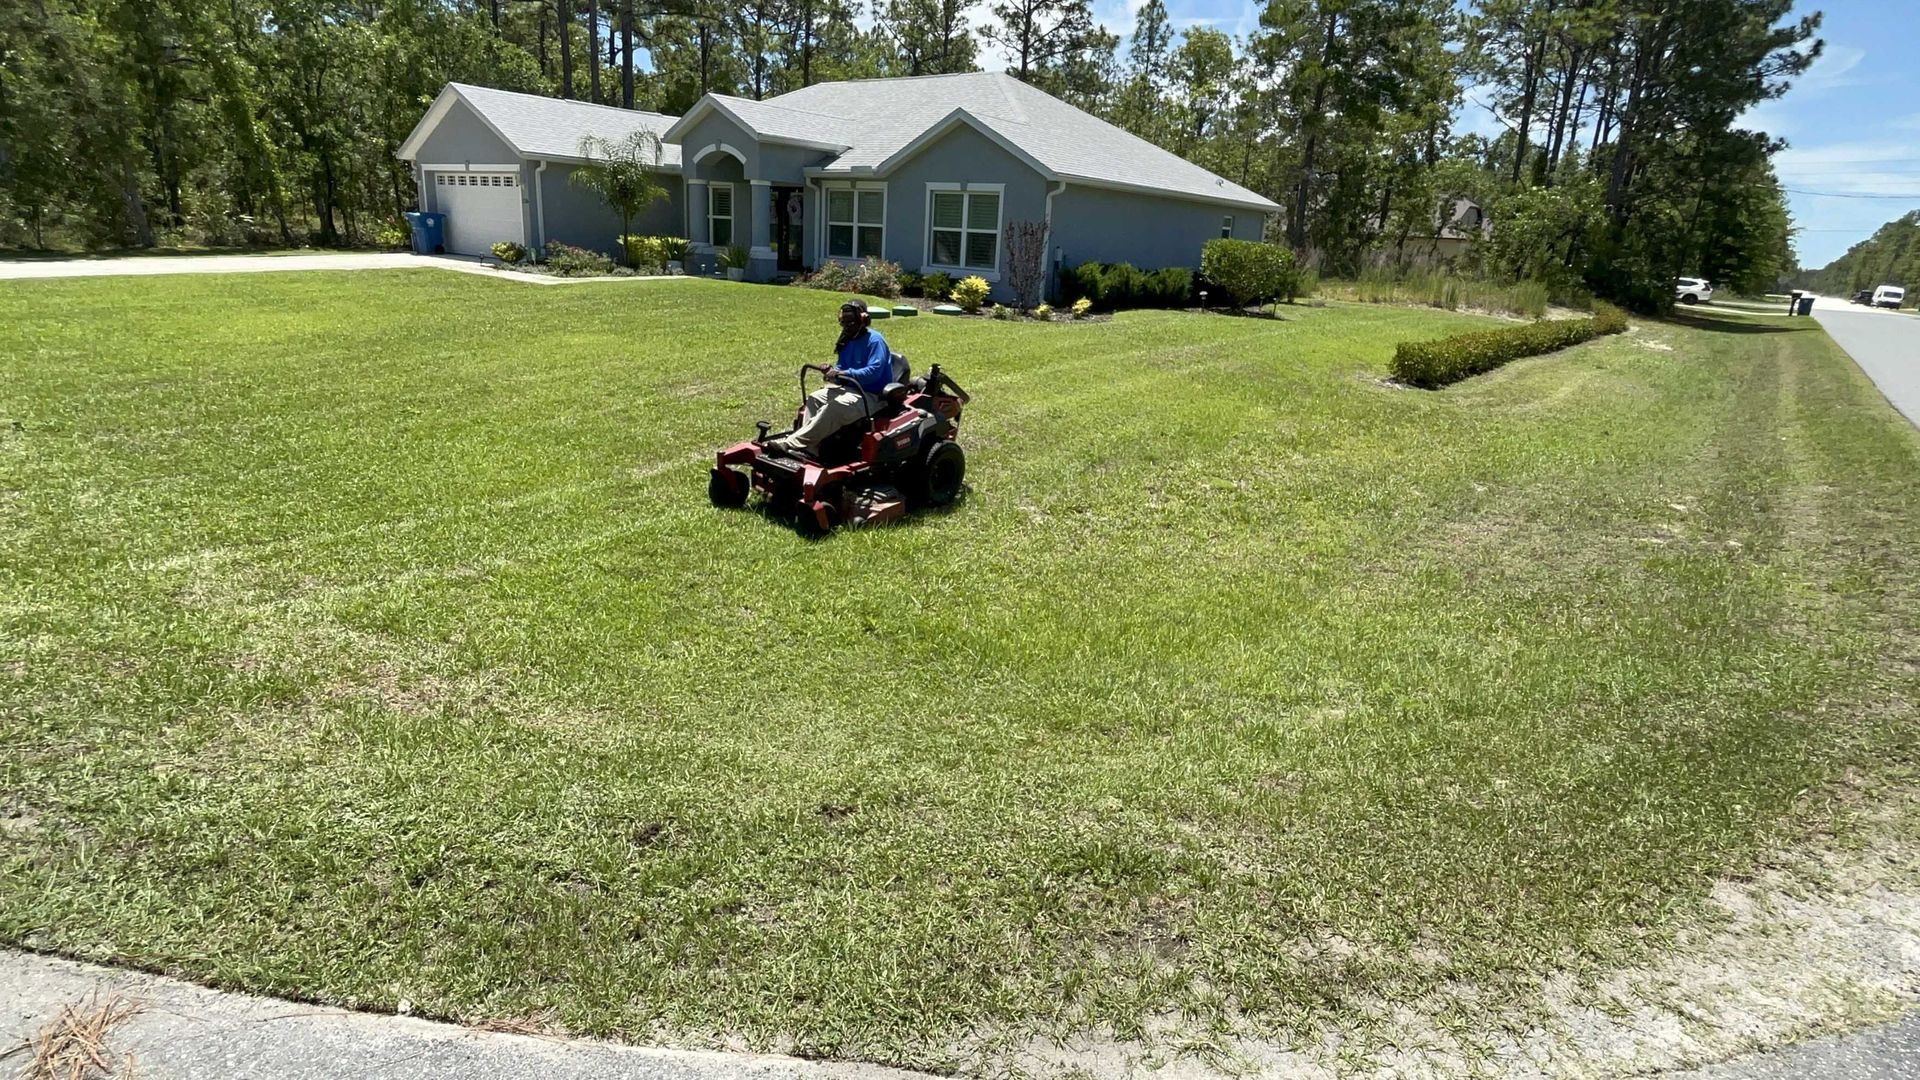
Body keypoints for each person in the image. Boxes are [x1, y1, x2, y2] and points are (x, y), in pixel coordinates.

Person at [767, 299, 896, 456]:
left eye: (851, 322)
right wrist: (831, 372)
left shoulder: (875, 340)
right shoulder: (847, 340)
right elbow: (842, 366)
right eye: (844, 322)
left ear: (863, 320)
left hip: (872, 395)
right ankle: (811, 448)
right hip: (850, 388)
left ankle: (792, 443)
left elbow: (873, 373)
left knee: (834, 407)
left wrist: (845, 374)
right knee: (814, 398)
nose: (847, 326)